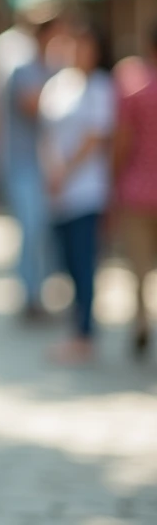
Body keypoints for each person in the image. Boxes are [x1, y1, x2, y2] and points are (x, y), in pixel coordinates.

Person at [39, 23, 115, 364]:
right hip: (58, 190)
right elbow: (47, 134)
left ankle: (85, 334)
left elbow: (95, 138)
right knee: (65, 260)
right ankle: (76, 327)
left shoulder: (100, 87)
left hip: (87, 190)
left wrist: (66, 172)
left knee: (84, 261)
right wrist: (51, 171)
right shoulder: (57, 85)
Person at [0, 16, 64, 320]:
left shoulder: (58, 71)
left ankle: (38, 293)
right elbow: (34, 105)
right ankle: (30, 296)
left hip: (51, 166)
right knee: (32, 230)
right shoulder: (23, 71)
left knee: (45, 234)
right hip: (23, 163)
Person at [113, 22, 157, 357]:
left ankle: (141, 320)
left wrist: (112, 179)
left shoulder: (134, 85)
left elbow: (122, 142)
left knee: (139, 266)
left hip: (137, 190)